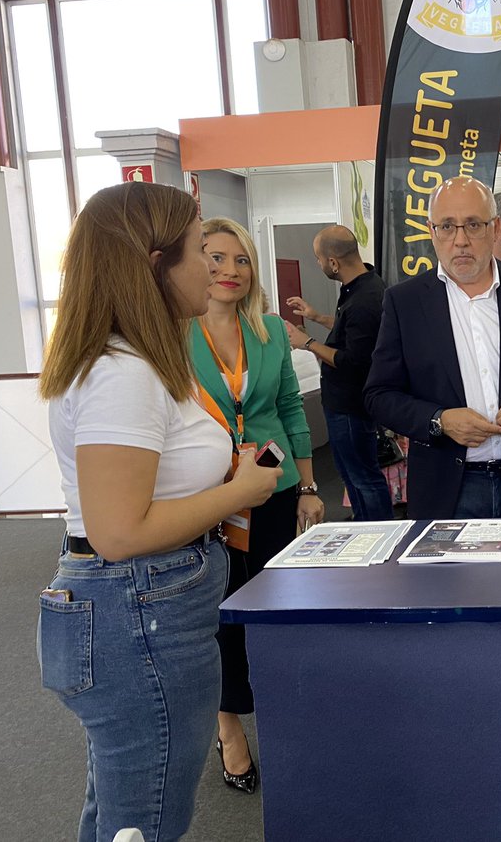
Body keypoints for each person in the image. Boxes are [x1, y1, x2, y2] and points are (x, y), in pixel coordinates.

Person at [37, 183, 281, 842]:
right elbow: (119, 532)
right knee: (143, 821)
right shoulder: (123, 372)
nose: (216, 268)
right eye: (201, 250)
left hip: (138, 610)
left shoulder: (133, 361)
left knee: (121, 811)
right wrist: (240, 492)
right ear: (153, 261)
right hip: (138, 615)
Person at [189, 217, 322, 794]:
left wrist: (310, 488)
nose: (229, 271)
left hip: (271, 487)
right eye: (216, 258)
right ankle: (229, 725)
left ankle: (281, 715)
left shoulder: (268, 330)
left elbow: (290, 410)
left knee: (273, 607)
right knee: (217, 612)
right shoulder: (172, 333)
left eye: (241, 260)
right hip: (205, 495)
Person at [365, 177, 501, 519]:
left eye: (473, 225)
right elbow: (379, 395)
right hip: (447, 489)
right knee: (452, 575)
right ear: (431, 230)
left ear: (495, 228)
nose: (461, 241)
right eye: (446, 227)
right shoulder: (405, 302)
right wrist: (439, 420)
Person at [285, 225, 393, 520]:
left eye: (319, 260)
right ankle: (366, 525)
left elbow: (352, 359)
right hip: (345, 405)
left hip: (350, 406)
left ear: (333, 262)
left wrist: (306, 342)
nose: (319, 266)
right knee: (353, 474)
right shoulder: (361, 289)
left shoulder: (364, 299)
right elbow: (352, 332)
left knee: (362, 477)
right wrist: (316, 316)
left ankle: (378, 533)